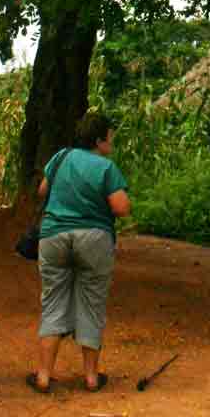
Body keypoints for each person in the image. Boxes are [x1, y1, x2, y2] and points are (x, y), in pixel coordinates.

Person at [28, 111, 130, 394]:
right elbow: (121, 208)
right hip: (94, 239)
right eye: (110, 136)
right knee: (92, 303)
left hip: (53, 236)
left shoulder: (60, 157)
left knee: (53, 302)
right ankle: (91, 378)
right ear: (99, 140)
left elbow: (42, 190)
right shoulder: (106, 168)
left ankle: (44, 376)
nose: (112, 141)